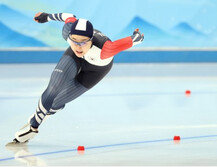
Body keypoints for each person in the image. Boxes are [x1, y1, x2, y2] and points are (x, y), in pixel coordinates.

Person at [7, 12, 144, 145]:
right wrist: (46, 16)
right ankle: (34, 125)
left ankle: (46, 112)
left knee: (57, 102)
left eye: (83, 42)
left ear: (91, 40)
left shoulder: (106, 49)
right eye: (74, 41)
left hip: (96, 70)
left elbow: (136, 39)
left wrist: (137, 35)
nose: (78, 46)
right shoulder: (67, 32)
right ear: (69, 36)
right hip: (74, 58)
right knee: (54, 87)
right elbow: (68, 17)